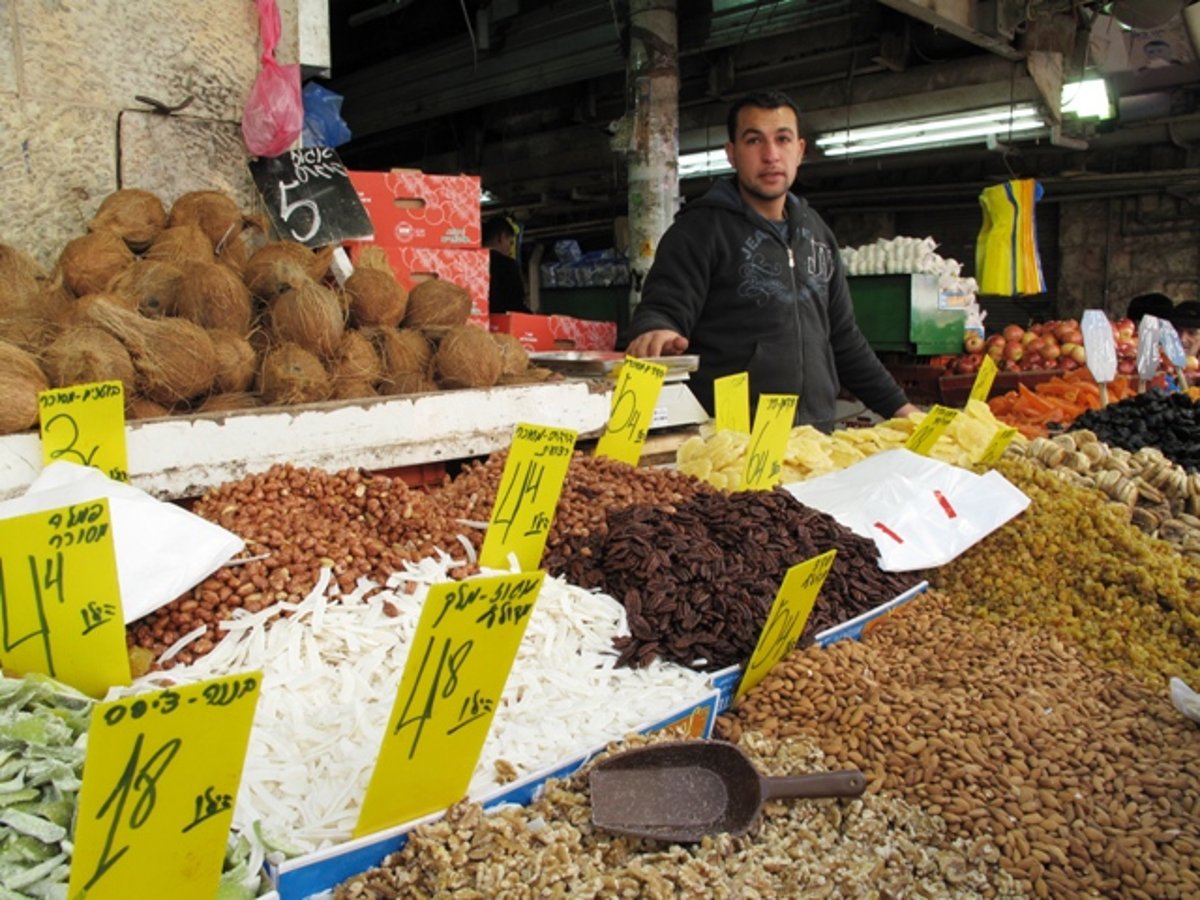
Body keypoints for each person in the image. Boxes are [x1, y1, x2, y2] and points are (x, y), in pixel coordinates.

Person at [625, 90, 919, 431]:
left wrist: (902, 409)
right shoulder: (699, 229)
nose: (771, 155)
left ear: (800, 151)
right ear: (732, 154)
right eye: (754, 141)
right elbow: (664, 307)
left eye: (783, 139)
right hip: (732, 442)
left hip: (815, 436)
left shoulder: (817, 234)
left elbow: (844, 339)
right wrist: (656, 329)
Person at [482, 215, 530, 314]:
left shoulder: (467, 263)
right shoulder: (507, 265)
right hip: (499, 325)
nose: (510, 250)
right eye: (510, 242)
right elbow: (515, 305)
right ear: (502, 237)